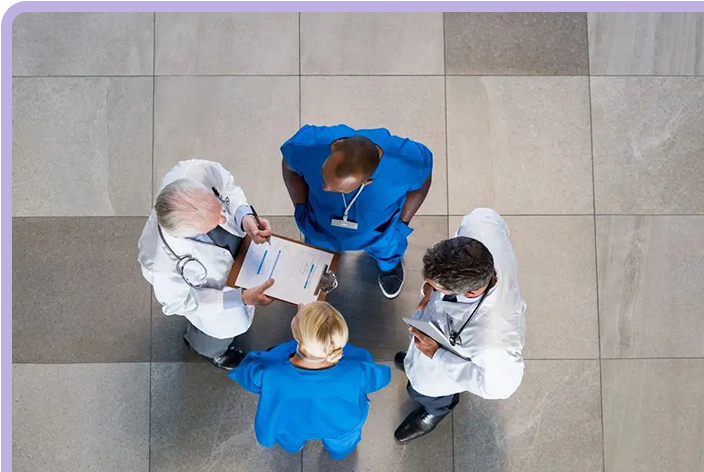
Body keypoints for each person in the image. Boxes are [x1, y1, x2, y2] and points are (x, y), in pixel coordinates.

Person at [393, 208, 527, 443]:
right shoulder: (480, 226)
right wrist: (428, 296)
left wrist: (438, 355)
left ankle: (436, 409)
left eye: (438, 287)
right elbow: (492, 218)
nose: (430, 287)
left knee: (425, 389)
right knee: (416, 361)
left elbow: (499, 388)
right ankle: (416, 360)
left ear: (472, 291)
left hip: (444, 365)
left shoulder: (494, 342)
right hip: (436, 328)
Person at [138, 159, 274, 370]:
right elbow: (181, 302)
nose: (223, 219)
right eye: (214, 223)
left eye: (219, 209)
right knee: (215, 337)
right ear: (189, 234)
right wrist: (239, 298)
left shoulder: (192, 171)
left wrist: (243, 217)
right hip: (217, 304)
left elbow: (226, 186)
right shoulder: (159, 262)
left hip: (238, 258)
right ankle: (211, 351)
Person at [280, 124, 433, 299]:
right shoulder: (306, 146)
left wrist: (403, 222)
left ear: (367, 181)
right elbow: (288, 165)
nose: (324, 187)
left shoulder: (407, 161)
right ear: (335, 145)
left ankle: (388, 266)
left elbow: (424, 180)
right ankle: (322, 263)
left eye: (338, 189)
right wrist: (300, 205)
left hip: (379, 231)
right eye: (324, 174)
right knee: (319, 251)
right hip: (320, 224)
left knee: (388, 250)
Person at [229, 301, 392, 460]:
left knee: (289, 438)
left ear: (301, 345)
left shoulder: (269, 371)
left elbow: (245, 375)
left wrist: (303, 314)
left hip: (291, 422)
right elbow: (382, 378)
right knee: (342, 443)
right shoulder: (358, 368)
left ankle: (294, 447)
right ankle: (338, 453)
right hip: (341, 423)